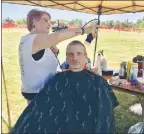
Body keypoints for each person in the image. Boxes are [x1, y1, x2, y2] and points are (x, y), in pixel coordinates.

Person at [11, 40, 119, 134]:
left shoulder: (98, 82)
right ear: (66, 58)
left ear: (86, 58)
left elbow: (105, 113)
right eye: (71, 54)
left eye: (79, 54)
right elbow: (41, 106)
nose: (75, 58)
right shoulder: (58, 79)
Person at [19, 9, 99, 104]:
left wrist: (55, 52)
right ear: (34, 22)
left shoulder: (31, 41)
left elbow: (39, 63)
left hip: (43, 94)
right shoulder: (32, 40)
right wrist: (84, 30)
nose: (49, 24)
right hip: (39, 98)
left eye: (50, 21)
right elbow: (58, 36)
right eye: (45, 20)